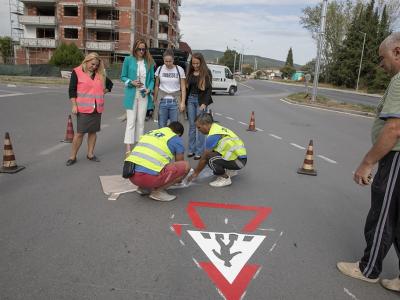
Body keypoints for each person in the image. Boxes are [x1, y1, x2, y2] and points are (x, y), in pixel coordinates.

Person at [337, 32, 400, 293]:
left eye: (381, 58)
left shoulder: (399, 81)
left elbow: (394, 129)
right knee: (397, 220)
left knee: (383, 216)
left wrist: (367, 162)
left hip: (396, 158)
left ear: (397, 51)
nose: (380, 64)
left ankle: (368, 268)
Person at [66, 52, 113, 166]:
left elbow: (110, 85)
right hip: (83, 108)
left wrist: (103, 92)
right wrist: (74, 105)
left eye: (96, 65)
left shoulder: (100, 74)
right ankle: (72, 156)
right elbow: (72, 90)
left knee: (93, 132)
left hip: (97, 108)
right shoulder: (77, 72)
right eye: (92, 64)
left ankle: (90, 154)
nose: (94, 67)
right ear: (86, 61)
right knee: (80, 133)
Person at [125, 121, 190, 201]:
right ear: (179, 134)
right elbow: (180, 162)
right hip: (148, 178)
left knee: (150, 164)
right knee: (186, 166)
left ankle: (144, 188)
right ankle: (158, 191)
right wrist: (177, 179)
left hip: (131, 176)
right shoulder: (176, 138)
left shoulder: (151, 132)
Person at [188, 113, 247, 187]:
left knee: (210, 158)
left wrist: (195, 173)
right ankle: (231, 171)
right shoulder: (218, 128)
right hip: (240, 159)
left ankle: (225, 179)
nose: (198, 130)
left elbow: (204, 158)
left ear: (205, 124)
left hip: (238, 162)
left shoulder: (213, 135)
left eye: (199, 127)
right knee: (213, 153)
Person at [120, 39, 155, 156]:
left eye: (143, 49)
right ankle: (128, 149)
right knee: (131, 122)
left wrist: (149, 89)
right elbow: (123, 77)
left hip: (144, 95)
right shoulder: (128, 60)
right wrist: (131, 82)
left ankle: (139, 147)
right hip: (131, 94)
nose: (141, 51)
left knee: (141, 122)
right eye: (139, 49)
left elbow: (151, 80)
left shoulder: (149, 62)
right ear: (135, 49)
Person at [186, 53, 213, 160]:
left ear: (201, 63)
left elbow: (209, 90)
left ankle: (199, 151)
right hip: (190, 101)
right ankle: (191, 150)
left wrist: (204, 104)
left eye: (197, 63)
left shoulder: (207, 73)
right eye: (193, 63)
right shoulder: (190, 72)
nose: (195, 65)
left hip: (200, 101)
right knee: (192, 126)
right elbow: (186, 88)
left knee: (200, 127)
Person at [154, 49, 186, 128]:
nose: (168, 63)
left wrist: (183, 102)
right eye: (166, 61)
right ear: (163, 60)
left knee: (174, 127)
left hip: (175, 102)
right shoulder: (160, 69)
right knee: (161, 127)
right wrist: (155, 100)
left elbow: (183, 87)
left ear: (173, 60)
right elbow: (157, 85)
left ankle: (173, 140)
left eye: (170, 61)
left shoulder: (179, 70)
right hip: (162, 101)